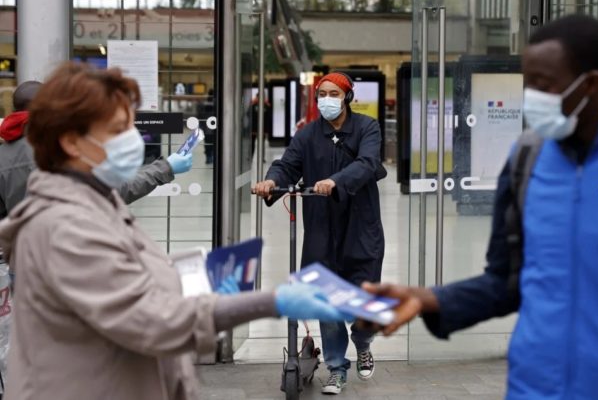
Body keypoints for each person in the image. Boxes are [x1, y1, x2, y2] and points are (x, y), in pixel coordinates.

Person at [0, 62, 349, 400]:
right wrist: (266, 301)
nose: (125, 140)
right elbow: (148, 318)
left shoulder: (90, 201)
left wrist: (200, 269)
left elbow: (129, 278)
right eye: (112, 129)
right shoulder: (65, 227)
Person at [361, 15, 598, 399]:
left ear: (591, 83)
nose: (531, 99)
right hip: (533, 388)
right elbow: (505, 281)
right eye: (527, 86)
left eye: (543, 86)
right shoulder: (528, 157)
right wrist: (428, 299)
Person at [253, 72, 385, 395]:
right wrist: (272, 180)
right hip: (321, 228)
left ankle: (363, 342)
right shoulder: (308, 134)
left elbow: (368, 163)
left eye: (333, 93)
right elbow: (288, 165)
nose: (326, 99)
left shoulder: (367, 128)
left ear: (347, 97)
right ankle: (337, 368)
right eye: (321, 93)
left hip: (360, 227)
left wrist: (337, 180)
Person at [0, 81, 192, 220]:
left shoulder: (3, 154)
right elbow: (116, 190)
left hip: (23, 261)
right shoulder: (66, 149)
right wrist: (166, 168)